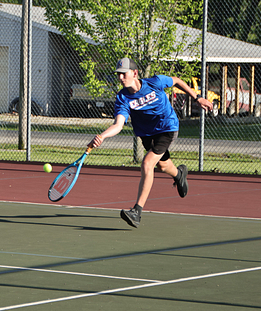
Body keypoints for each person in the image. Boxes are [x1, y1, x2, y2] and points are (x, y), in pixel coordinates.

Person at [88, 58, 213, 228]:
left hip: (167, 127)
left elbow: (176, 81)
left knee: (147, 163)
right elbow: (118, 124)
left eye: (124, 74)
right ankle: (179, 175)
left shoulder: (155, 82)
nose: (120, 78)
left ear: (135, 73)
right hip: (146, 133)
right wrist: (102, 136)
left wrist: (197, 97)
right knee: (162, 165)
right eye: (118, 74)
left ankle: (137, 211)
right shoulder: (123, 97)